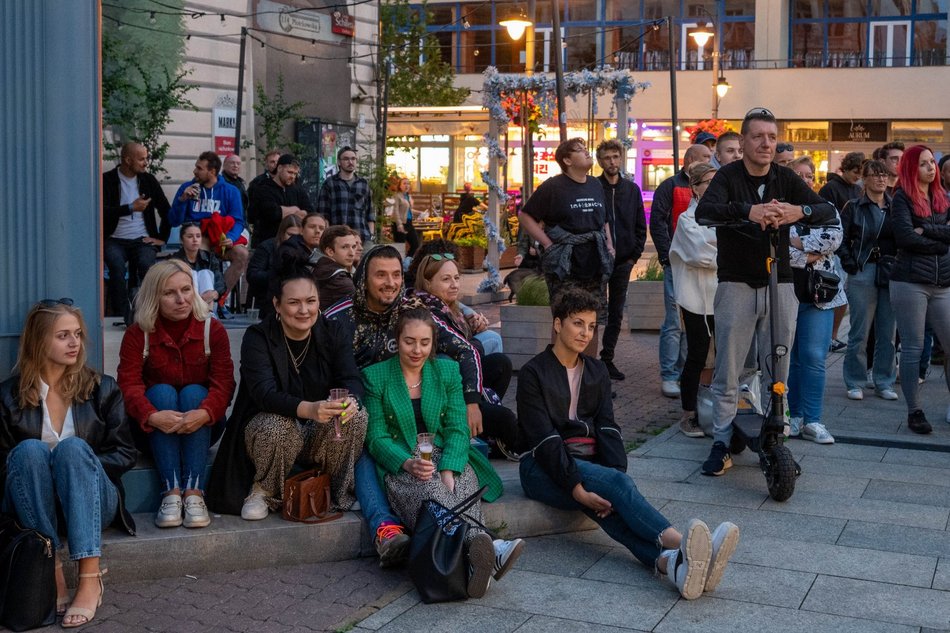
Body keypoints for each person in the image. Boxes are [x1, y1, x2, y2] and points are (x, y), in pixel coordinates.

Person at [517, 289, 739, 600]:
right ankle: (685, 542)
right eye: (577, 324)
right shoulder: (533, 373)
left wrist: (615, 476)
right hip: (540, 467)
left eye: (591, 326)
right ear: (557, 324)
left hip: (587, 461)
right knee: (609, 490)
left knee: (608, 507)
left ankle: (672, 565)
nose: (585, 333)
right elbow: (544, 438)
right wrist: (580, 488)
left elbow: (608, 427)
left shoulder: (595, 370)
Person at [695, 106, 838, 476]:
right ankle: (721, 441)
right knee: (728, 368)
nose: (765, 143)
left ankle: (777, 437)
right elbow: (705, 213)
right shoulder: (727, 176)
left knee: (778, 364)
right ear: (742, 141)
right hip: (737, 283)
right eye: (757, 136)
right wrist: (751, 212)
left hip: (782, 283)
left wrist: (797, 211)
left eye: (772, 137)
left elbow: (826, 210)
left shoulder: (784, 178)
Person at [362, 309, 524, 598]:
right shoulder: (376, 377)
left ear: (433, 342)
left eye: (424, 342)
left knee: (458, 483)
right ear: (397, 340)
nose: (417, 349)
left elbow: (457, 427)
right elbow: (376, 437)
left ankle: (478, 555)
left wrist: (449, 466)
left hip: (447, 453)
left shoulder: (446, 371)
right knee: (432, 490)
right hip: (402, 461)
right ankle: (488, 547)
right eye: (409, 341)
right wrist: (408, 462)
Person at [0, 300, 136, 628]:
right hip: (33, 504)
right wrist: (47, 472)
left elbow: (124, 452)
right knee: (29, 451)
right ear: (38, 341)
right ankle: (52, 569)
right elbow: (7, 466)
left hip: (92, 501)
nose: (74, 343)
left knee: (72, 450)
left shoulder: (101, 389)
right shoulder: (8, 397)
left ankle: (90, 578)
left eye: (77, 334)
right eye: (63, 336)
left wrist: (75, 469)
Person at [206, 258, 370, 521]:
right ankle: (264, 491)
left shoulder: (333, 331)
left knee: (356, 415)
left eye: (311, 301)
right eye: (294, 303)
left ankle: (338, 492)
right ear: (277, 305)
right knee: (277, 424)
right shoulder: (258, 337)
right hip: (268, 430)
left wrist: (350, 400)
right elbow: (264, 394)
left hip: (317, 432)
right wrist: (310, 409)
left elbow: (350, 377)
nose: (304, 310)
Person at [117, 259, 235, 528]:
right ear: (153, 297)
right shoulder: (139, 333)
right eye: (169, 293)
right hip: (152, 429)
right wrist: (151, 416)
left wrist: (204, 413)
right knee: (161, 392)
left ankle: (194, 491)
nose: (181, 299)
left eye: (186, 290)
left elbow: (224, 384)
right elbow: (128, 385)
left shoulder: (211, 329)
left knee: (195, 393)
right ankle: (170, 492)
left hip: (204, 424)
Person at [412, 253, 520, 457]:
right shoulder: (426, 311)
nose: (454, 284)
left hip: (459, 381)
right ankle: (489, 431)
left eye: (456, 278)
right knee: (507, 420)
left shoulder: (449, 307)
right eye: (446, 279)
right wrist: (473, 404)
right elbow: (466, 349)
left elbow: (462, 342)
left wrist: (473, 325)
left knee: (501, 363)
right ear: (427, 282)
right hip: (442, 397)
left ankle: (487, 432)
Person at [517, 138, 614, 354]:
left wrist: (609, 244)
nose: (587, 153)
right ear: (567, 160)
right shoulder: (553, 186)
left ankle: (588, 373)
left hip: (594, 264)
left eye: (585, 148)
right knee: (566, 320)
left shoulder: (595, 184)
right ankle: (561, 375)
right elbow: (525, 216)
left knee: (592, 320)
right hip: (565, 266)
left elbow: (604, 219)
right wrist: (548, 244)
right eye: (580, 150)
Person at [888, 145, 950, 433]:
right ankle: (914, 411)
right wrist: (941, 244)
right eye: (924, 163)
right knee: (913, 347)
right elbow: (904, 238)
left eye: (932, 163)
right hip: (909, 281)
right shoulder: (902, 197)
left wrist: (928, 232)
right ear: (912, 168)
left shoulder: (942, 197)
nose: (931, 167)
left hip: (943, 283)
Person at [649, 144, 712, 398]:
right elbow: (659, 222)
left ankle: (686, 371)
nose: (711, 160)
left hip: (705, 276)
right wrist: (667, 257)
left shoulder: (717, 200)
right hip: (678, 265)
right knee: (674, 322)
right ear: (690, 162)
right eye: (706, 157)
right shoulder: (670, 186)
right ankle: (670, 375)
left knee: (696, 330)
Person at [787, 196, 846, 444]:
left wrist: (795, 245)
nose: (804, 179)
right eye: (798, 175)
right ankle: (793, 416)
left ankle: (812, 420)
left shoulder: (826, 208)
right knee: (789, 357)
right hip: (785, 293)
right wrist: (808, 252)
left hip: (820, 295)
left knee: (813, 356)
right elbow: (774, 249)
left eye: (808, 176)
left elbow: (833, 240)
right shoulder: (775, 206)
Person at [839, 160, 898, 402]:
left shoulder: (896, 207)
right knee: (859, 331)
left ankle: (884, 381)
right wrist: (849, 263)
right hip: (863, 269)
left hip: (891, 271)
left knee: (888, 332)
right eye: (875, 175)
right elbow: (840, 239)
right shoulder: (854, 207)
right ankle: (855, 380)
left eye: (884, 175)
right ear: (865, 179)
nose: (881, 179)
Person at [669, 163, 719, 439]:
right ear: (695, 188)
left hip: (723, 295)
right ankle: (688, 414)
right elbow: (701, 255)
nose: (712, 187)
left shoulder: (725, 215)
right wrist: (721, 248)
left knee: (722, 356)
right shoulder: (687, 221)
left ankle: (713, 408)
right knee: (698, 355)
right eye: (707, 182)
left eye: (716, 181)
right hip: (695, 298)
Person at [169, 151, 249, 315]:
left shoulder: (230, 191)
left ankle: (219, 299)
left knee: (242, 254)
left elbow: (238, 220)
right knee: (200, 247)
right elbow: (173, 221)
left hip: (221, 235)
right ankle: (200, 301)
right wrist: (183, 200)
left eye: (199, 168)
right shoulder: (187, 188)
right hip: (197, 234)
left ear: (212, 171)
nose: (195, 171)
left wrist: (232, 238)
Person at [102, 142, 171, 326]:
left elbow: (166, 210)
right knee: (116, 268)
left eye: (146, 158)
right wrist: (131, 208)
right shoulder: (107, 180)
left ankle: (147, 312)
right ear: (127, 160)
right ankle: (128, 316)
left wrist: (162, 238)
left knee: (147, 267)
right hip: (114, 239)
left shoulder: (148, 180)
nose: (146, 163)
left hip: (142, 238)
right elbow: (102, 211)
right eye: (141, 159)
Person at [596, 139, 647, 381]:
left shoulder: (631, 189)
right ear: (600, 161)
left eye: (615, 157)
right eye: (607, 158)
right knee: (594, 311)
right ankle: (588, 360)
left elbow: (640, 225)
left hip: (623, 260)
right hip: (597, 260)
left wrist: (633, 256)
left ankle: (607, 359)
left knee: (616, 312)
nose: (612, 162)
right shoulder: (593, 187)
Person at [245, 215, 302, 319]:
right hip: (263, 303)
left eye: (298, 236)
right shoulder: (266, 247)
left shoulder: (302, 251)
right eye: (290, 234)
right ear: (282, 233)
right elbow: (252, 275)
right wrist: (278, 275)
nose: (293, 239)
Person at [248, 154, 313, 245]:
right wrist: (295, 210)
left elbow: (310, 212)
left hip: (294, 243)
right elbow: (272, 213)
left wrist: (284, 211)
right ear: (279, 168)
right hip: (268, 242)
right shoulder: (263, 188)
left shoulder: (297, 190)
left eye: (295, 173)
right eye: (290, 172)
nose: (293, 176)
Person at [316, 146, 375, 244]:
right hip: (338, 238)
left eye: (353, 158)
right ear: (339, 162)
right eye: (346, 159)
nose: (350, 162)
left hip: (362, 238)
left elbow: (370, 214)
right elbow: (323, 214)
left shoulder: (363, 184)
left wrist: (371, 236)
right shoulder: (330, 183)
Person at [173, 222, 226, 315]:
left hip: (208, 301)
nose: (195, 240)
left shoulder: (210, 257)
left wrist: (215, 293)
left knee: (205, 273)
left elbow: (221, 282)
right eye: (190, 236)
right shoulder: (174, 260)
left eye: (198, 236)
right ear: (182, 240)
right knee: (192, 273)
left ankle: (209, 315)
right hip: (185, 302)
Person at [313, 225, 359, 310]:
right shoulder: (339, 280)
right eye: (344, 247)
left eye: (353, 247)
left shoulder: (321, 266)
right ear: (330, 251)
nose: (352, 253)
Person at [391, 177, 420, 258]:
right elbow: (396, 210)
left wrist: (421, 213)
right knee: (400, 247)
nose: (407, 185)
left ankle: (406, 262)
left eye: (408, 183)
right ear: (400, 186)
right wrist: (399, 224)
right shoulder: (397, 196)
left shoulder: (408, 196)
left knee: (415, 245)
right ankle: (400, 264)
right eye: (404, 183)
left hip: (409, 223)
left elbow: (409, 210)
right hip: (400, 223)